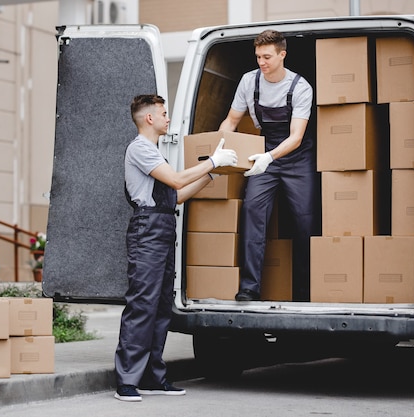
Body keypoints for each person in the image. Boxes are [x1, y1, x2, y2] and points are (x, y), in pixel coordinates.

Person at [114, 94, 237, 402]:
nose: (168, 118)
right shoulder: (140, 149)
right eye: (164, 113)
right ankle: (127, 381)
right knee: (142, 305)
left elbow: (176, 196)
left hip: (163, 227)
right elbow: (176, 180)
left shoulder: (155, 152)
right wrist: (211, 161)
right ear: (149, 119)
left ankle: (153, 377)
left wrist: (211, 174)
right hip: (147, 230)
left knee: (159, 309)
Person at [219, 29, 317, 302]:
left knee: (304, 221)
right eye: (258, 56)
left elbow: (296, 137)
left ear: (282, 55)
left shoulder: (300, 87)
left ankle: (305, 292)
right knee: (252, 211)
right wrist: (221, 142)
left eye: (267, 56)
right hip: (265, 153)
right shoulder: (249, 82)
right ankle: (249, 289)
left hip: (297, 156)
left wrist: (269, 157)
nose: (262, 62)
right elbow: (231, 120)